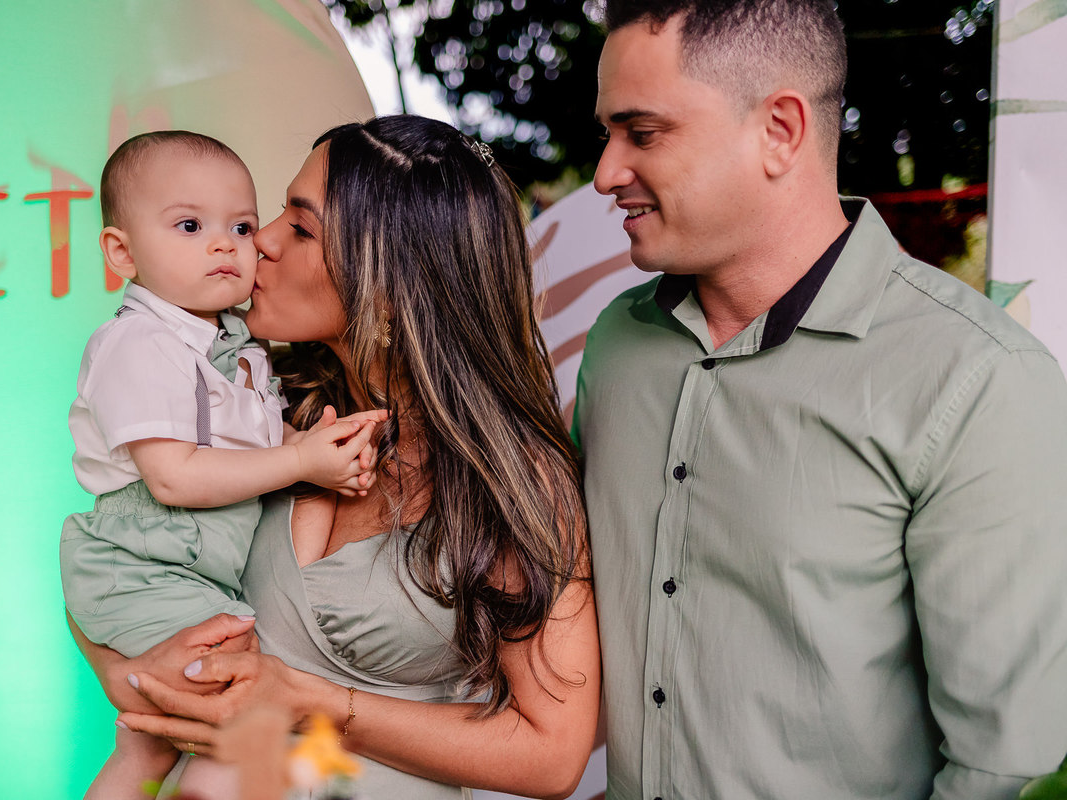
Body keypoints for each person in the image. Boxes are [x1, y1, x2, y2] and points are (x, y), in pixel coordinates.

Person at [575, 1, 1067, 798]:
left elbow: (1003, 766)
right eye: (608, 133)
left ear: (780, 131)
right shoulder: (617, 345)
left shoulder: (978, 380)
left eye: (644, 132)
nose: (605, 173)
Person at [68, 115, 602, 800]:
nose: (258, 240)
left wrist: (308, 701)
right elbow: (118, 554)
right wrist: (135, 676)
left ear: (392, 280)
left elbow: (551, 757)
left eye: (300, 228)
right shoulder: (264, 403)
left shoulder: (509, 481)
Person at [62, 130, 382, 800]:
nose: (228, 245)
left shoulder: (241, 347)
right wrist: (300, 460)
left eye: (240, 226)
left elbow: (252, 449)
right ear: (121, 252)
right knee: (230, 702)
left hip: (192, 569)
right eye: (190, 226)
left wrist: (317, 457)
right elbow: (174, 477)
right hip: (146, 563)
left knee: (158, 739)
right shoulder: (138, 342)